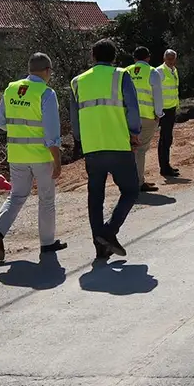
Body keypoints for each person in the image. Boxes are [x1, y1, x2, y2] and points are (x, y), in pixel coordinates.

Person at [0, 52, 66, 261]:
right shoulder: (46, 93)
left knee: (17, 196)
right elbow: (51, 132)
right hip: (41, 156)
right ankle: (47, 244)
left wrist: (20, 130)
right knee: (46, 200)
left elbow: (0, 122)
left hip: (16, 154)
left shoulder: (11, 89)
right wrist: (57, 160)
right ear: (47, 71)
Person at [70, 38, 141, 261]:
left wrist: (80, 140)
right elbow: (132, 106)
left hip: (92, 147)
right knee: (131, 190)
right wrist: (134, 131)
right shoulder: (121, 75)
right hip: (118, 143)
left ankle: (99, 245)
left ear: (93, 56)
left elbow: (74, 118)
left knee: (95, 197)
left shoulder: (77, 82)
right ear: (114, 57)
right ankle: (109, 232)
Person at [126, 46, 163, 193]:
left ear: (134, 58)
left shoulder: (126, 71)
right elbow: (158, 96)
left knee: (130, 149)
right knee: (140, 150)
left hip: (128, 117)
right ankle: (139, 182)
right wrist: (158, 114)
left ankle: (129, 181)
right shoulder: (152, 72)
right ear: (148, 58)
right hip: (147, 117)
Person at [155, 49, 181, 178]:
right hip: (163, 109)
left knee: (168, 138)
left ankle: (166, 165)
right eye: (169, 58)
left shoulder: (174, 70)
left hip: (171, 108)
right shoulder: (159, 71)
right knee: (164, 139)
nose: (171, 61)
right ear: (164, 58)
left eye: (173, 58)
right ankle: (164, 168)